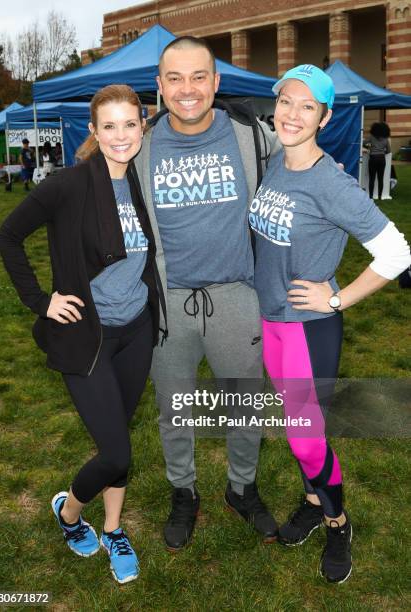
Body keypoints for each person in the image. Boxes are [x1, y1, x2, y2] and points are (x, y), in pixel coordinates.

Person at [249, 64, 411, 583]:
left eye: (307, 106)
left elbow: (395, 252)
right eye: (286, 102)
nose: (292, 114)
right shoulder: (276, 163)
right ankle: (313, 499)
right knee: (304, 433)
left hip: (306, 328)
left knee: (305, 438)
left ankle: (337, 521)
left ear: (324, 115)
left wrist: (337, 298)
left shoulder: (331, 182)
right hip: (272, 321)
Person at [0, 84, 163, 584]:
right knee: (117, 452)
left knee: (120, 438)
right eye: (108, 126)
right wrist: (41, 300)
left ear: (142, 126)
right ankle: (70, 513)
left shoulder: (140, 180)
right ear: (93, 131)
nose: (120, 135)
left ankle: (113, 528)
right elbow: (7, 235)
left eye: (129, 124)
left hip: (137, 330)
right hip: (87, 337)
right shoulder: (68, 184)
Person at [135, 36, 282, 551]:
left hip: (238, 293)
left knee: (246, 403)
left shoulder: (250, 135)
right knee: (173, 406)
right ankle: (183, 491)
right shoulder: (141, 145)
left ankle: (242, 487)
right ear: (159, 87)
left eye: (199, 76)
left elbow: (304, 167)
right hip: (169, 302)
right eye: (174, 78)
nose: (187, 89)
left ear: (216, 83)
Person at [364, 121, 391, 200]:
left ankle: (371, 196)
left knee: (372, 178)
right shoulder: (386, 139)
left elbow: (363, 143)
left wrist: (370, 147)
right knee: (380, 178)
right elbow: (389, 150)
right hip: (382, 159)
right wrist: (382, 151)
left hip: (373, 158)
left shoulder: (371, 137)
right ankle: (380, 196)